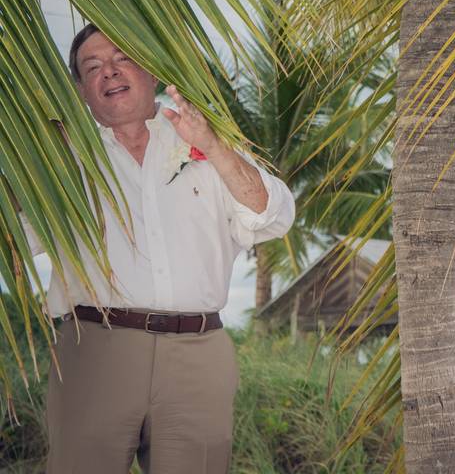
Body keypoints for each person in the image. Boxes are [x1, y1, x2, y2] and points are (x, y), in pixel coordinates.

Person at [19, 24, 295, 473]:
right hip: (95, 351)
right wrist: (34, 157)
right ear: (81, 91)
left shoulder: (206, 141)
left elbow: (273, 215)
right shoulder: (63, 160)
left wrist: (210, 143)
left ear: (149, 70)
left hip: (199, 352)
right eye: (93, 67)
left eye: (121, 58)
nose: (109, 72)